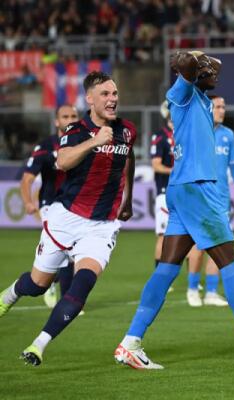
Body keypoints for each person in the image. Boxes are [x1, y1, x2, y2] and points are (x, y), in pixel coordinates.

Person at [114, 50, 234, 370]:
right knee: (231, 264)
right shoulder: (182, 93)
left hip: (183, 189)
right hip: (197, 189)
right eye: (209, 71)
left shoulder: (200, 98)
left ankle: (130, 342)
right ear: (195, 73)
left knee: (166, 269)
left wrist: (206, 63)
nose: (216, 75)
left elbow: (214, 66)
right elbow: (185, 63)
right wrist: (190, 60)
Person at [0, 71, 136, 366]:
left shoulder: (127, 130)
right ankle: (9, 295)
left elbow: (129, 160)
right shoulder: (76, 130)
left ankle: (38, 345)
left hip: (101, 226)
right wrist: (94, 142)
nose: (112, 99)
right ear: (90, 99)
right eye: (105, 94)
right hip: (66, 219)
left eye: (114, 93)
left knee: (82, 283)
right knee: (37, 285)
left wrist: (128, 200)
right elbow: (62, 161)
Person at [150, 101, 224, 307]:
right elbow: (156, 165)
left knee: (191, 236)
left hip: (188, 193)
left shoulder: (186, 133)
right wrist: (178, 172)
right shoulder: (160, 136)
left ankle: (192, 281)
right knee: (163, 236)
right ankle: (161, 277)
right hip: (166, 193)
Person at [191, 94, 234, 307]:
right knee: (198, 245)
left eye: (224, 107)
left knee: (220, 246)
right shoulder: (196, 132)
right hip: (200, 198)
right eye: (218, 107)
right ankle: (192, 289)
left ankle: (210, 292)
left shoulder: (228, 135)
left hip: (221, 200)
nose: (222, 111)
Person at [20, 104, 79, 309]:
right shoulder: (46, 146)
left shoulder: (85, 143)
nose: (70, 120)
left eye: (73, 116)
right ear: (56, 121)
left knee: (70, 254)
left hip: (76, 205)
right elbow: (27, 179)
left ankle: (54, 285)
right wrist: (28, 201)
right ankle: (66, 302)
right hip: (51, 204)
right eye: (65, 116)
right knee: (67, 251)